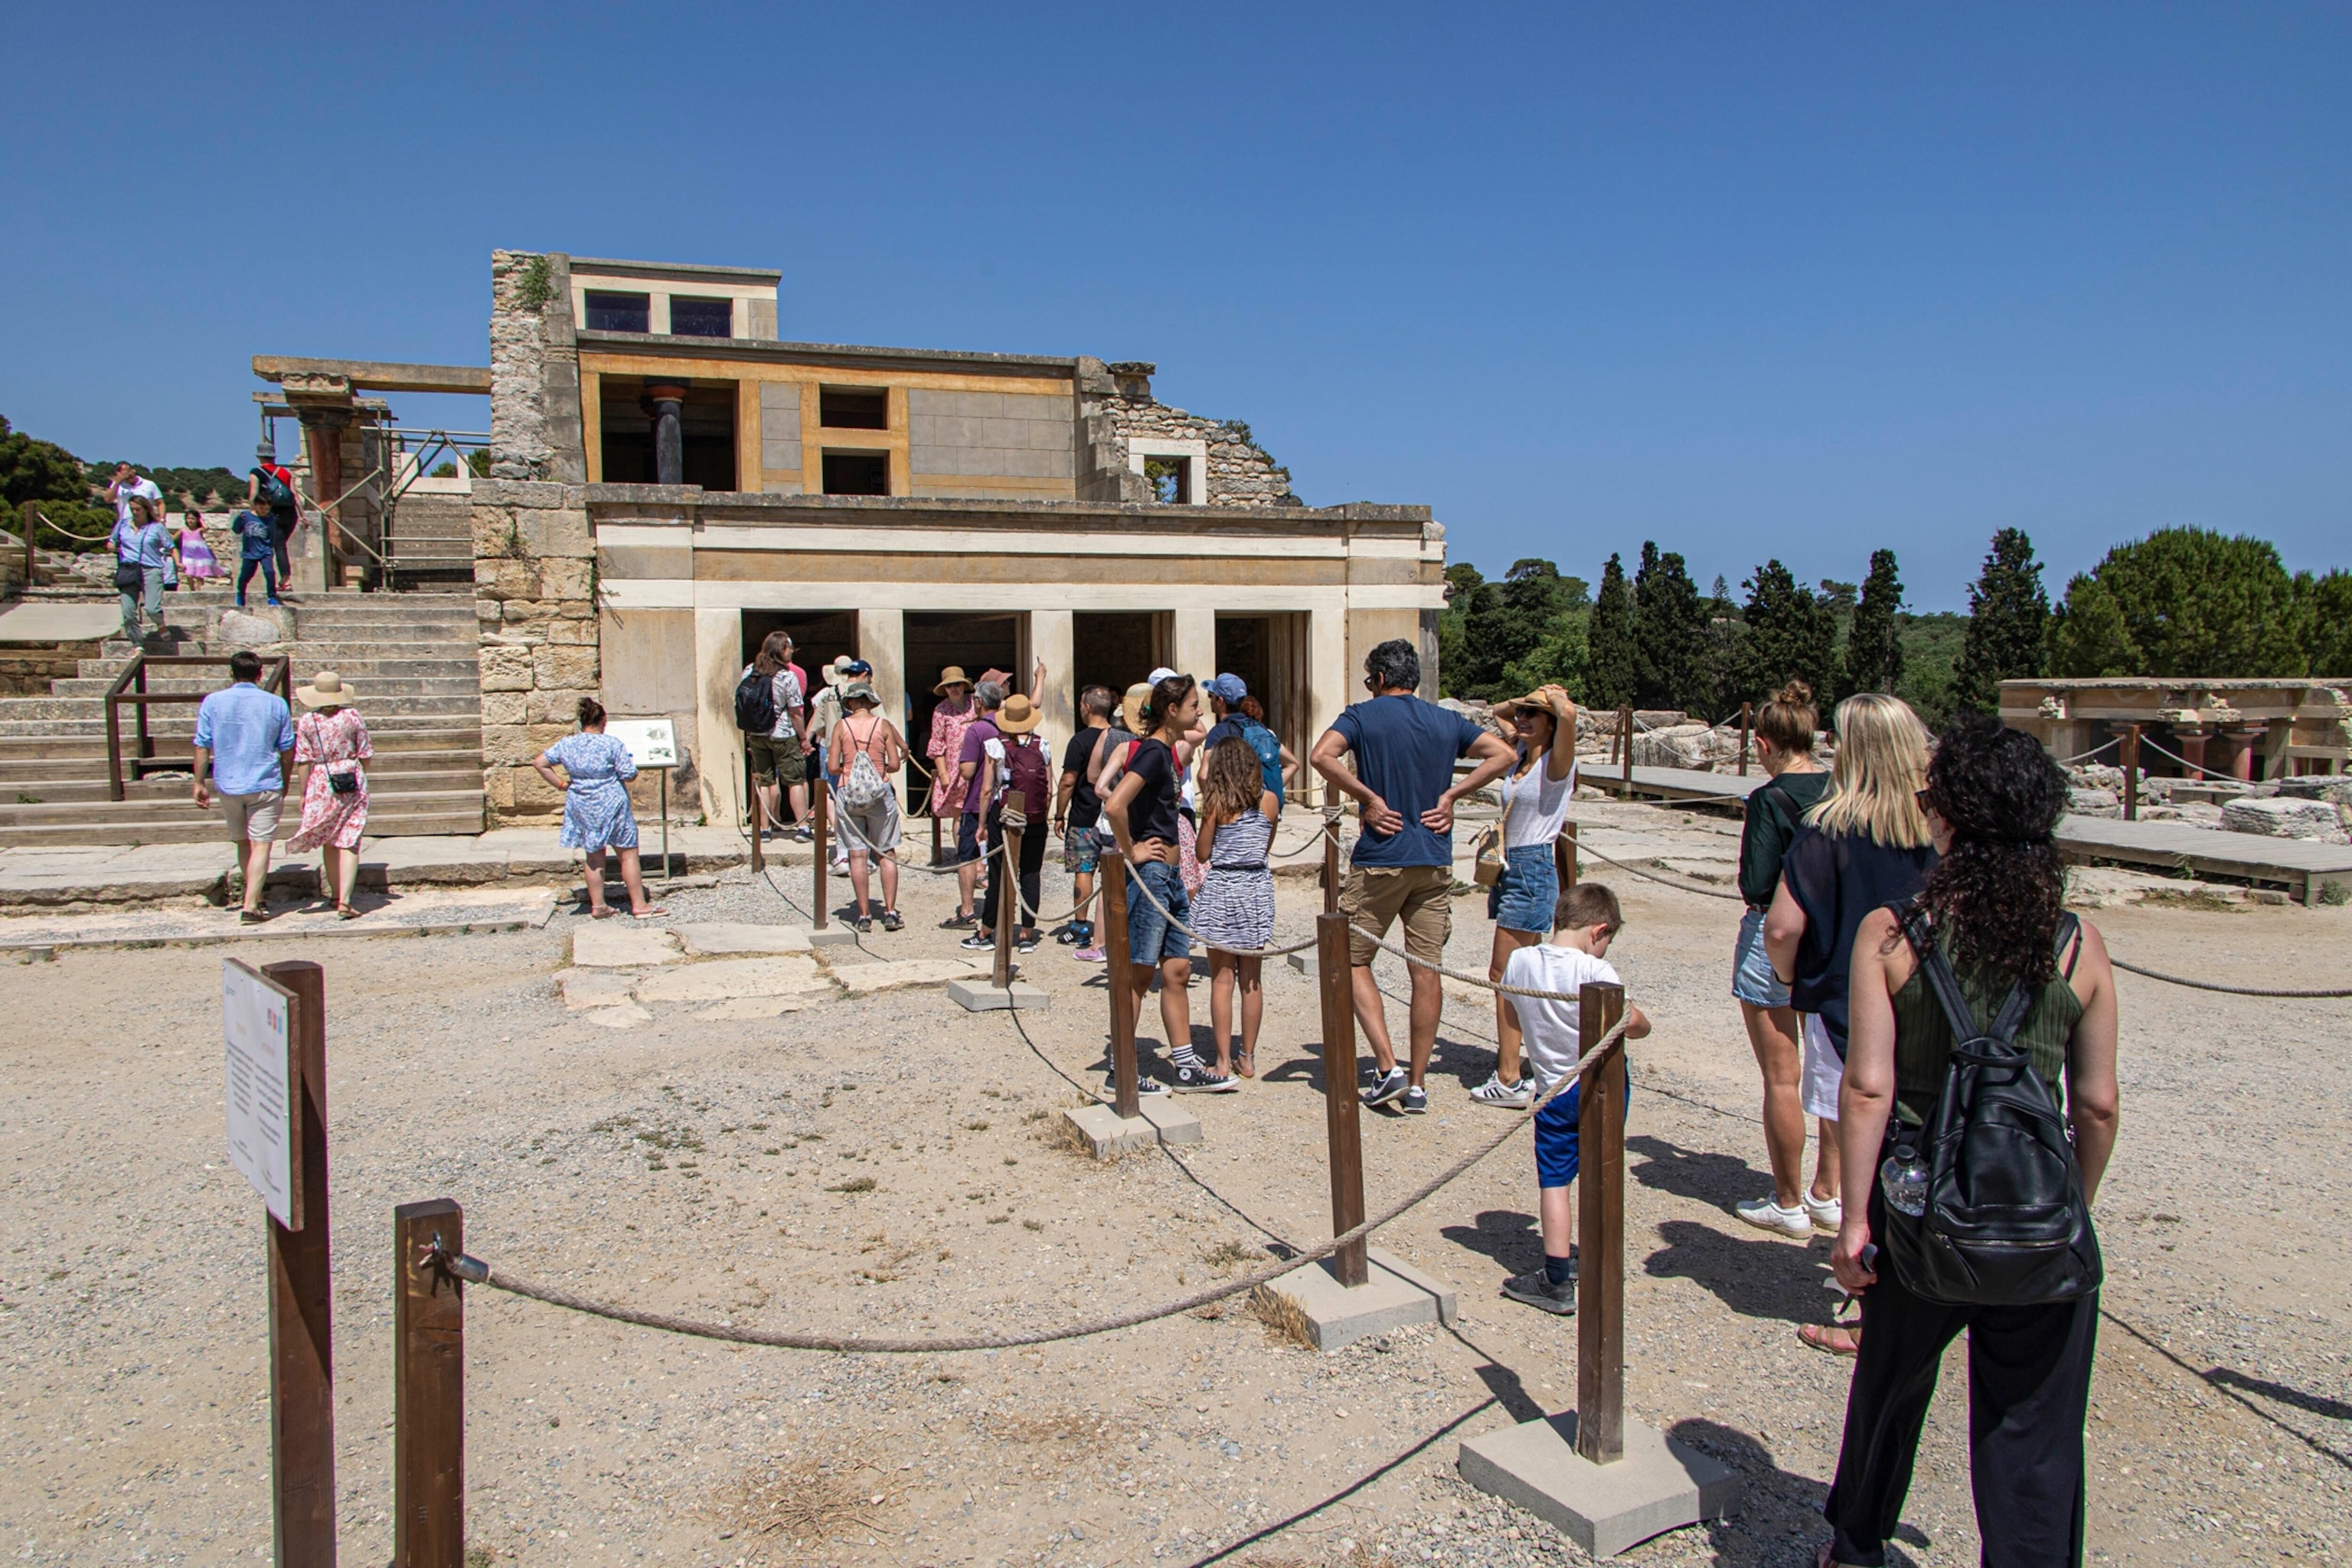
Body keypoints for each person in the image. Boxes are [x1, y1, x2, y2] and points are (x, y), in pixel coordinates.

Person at [1818, 717, 2119, 1568]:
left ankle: (1857, 1540)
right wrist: (2071, 1206)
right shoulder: (2077, 943)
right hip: (2037, 1205)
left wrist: (1851, 1221)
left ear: (1945, 816)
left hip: (1922, 1200)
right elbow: (2095, 1102)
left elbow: (1870, 1085)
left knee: (1891, 1383)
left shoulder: (1895, 932)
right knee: (2035, 1424)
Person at [1764, 692, 1936, 1357]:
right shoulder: (1937, 829)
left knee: (1868, 1155)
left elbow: (1783, 925)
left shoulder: (1829, 829)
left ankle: (1870, 1307)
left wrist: (1789, 975)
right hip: (1935, 1009)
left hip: (1848, 1004)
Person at [1309, 639, 1514, 1114]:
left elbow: (1322, 756)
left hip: (1382, 854)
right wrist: (1452, 795)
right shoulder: (1445, 720)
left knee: (1351, 959)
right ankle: (1418, 1082)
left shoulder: (1363, 715)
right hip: (1433, 857)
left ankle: (1388, 1066)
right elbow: (1503, 755)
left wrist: (1369, 799)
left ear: (1379, 679)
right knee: (1426, 971)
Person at [1497, 884, 1652, 1314]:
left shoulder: (1520, 961)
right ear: (1598, 932)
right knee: (1602, 1172)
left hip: (1553, 1088)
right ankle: (1599, 1257)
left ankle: (1557, 1273)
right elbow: (1634, 1023)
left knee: (1555, 1182)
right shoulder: (1595, 972)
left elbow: (1511, 1008)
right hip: (1601, 1085)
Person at [1730, 681, 1839, 1240]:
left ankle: (1788, 1199)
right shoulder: (1839, 790)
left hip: (1773, 929)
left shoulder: (1770, 799)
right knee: (1831, 1073)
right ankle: (1828, 1191)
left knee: (1782, 1078)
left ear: (1767, 743)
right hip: (1831, 935)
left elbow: (1756, 880)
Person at [1470, 684, 1579, 1109]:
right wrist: (1530, 697)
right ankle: (1522, 1065)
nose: (1523, 719)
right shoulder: (1520, 756)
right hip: (1511, 867)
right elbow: (1498, 710)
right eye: (1524, 714)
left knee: (1504, 974)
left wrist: (1555, 701)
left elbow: (1568, 718)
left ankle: (1511, 1075)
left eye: (1534, 714)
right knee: (1514, 975)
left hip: (1532, 865)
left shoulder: (1557, 762)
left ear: (1551, 723)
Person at [1102, 672, 1205, 1094]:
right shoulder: (1152, 753)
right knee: (1139, 975)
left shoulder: (1168, 753)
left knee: (1177, 970)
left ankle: (1183, 1063)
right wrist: (1132, 851)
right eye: (1194, 704)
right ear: (1172, 710)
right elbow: (1114, 803)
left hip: (1173, 877)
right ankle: (1121, 1068)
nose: (1200, 711)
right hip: (1153, 874)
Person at [1192, 737, 1280, 1080]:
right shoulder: (1270, 801)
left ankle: (1223, 1060)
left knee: (1221, 979)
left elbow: (1202, 853)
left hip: (1224, 887)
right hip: (1256, 887)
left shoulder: (1217, 804)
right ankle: (1248, 1057)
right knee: (1252, 980)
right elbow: (1266, 845)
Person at [532, 697, 665, 920]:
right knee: (628, 854)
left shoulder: (567, 744)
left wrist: (562, 785)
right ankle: (639, 905)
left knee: (593, 856)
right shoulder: (611, 744)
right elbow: (628, 774)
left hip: (582, 801)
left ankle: (599, 905)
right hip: (612, 802)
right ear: (603, 720)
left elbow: (540, 763)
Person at [191, 649, 296, 925]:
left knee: (242, 841)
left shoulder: (213, 702)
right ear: (260, 674)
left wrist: (199, 782)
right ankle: (252, 903)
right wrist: (285, 780)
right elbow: (287, 749)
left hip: (228, 780)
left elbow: (203, 745)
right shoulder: (276, 704)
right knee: (262, 844)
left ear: (231, 673)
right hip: (264, 779)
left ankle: (254, 894)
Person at [966, 692, 1053, 955]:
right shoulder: (1043, 745)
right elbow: (1048, 787)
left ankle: (988, 930)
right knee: (1030, 873)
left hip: (1003, 815)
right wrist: (1041, 812)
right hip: (1034, 816)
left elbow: (987, 789)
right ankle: (1027, 932)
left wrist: (981, 824)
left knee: (998, 871)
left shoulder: (996, 744)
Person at [285, 671, 374, 918]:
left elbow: (304, 760)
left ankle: (335, 895)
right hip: (350, 774)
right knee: (349, 839)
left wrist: (303, 793)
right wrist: (357, 772)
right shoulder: (352, 716)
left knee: (330, 838)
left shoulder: (307, 722)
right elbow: (365, 753)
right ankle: (346, 900)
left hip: (321, 778)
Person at [827, 680, 906, 932]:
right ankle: (891, 912)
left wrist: (851, 771)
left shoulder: (842, 726)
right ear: (870, 703)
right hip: (880, 792)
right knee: (886, 853)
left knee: (857, 855)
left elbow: (832, 767)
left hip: (849, 791)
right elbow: (894, 764)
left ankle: (863, 916)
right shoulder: (882, 725)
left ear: (850, 703)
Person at [1054, 684, 1127, 957]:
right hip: (1114, 815)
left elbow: (1068, 781)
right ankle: (1114, 925)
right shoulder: (1121, 738)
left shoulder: (1079, 741)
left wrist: (1059, 813)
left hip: (1084, 815)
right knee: (1115, 872)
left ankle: (1080, 925)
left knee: (1084, 870)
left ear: (1086, 707)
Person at [943, 680, 1006, 929]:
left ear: (979, 702)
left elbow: (968, 771)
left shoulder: (977, 730)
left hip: (977, 801)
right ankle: (1000, 907)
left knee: (967, 856)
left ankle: (968, 910)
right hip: (1004, 801)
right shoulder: (1008, 727)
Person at [740, 631, 809, 840]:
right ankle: (803, 827)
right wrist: (804, 738)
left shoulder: (749, 671)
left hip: (757, 733)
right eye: (789, 649)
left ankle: (764, 829)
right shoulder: (786, 676)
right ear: (781, 650)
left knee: (764, 781)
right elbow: (795, 711)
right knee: (795, 780)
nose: (791, 653)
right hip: (783, 733)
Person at [1199, 674, 1296, 804]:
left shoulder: (1219, 733)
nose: (1210, 699)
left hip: (1235, 813)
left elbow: (1204, 776)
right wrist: (1271, 789)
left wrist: (1216, 808)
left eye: (1211, 695)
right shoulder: (1260, 728)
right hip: (1265, 812)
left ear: (1220, 701)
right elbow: (1293, 764)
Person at [111, 496, 172, 638]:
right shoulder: (123, 524)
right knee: (128, 613)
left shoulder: (157, 527)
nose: (135, 512)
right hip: (129, 569)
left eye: (138, 509)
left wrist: (179, 562)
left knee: (151, 608)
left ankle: (161, 625)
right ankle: (137, 644)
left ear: (146, 509)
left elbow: (170, 546)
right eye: (132, 509)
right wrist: (114, 548)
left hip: (151, 569)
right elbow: (112, 541)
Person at [246, 457, 302, 591]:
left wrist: (252, 514)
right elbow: (295, 496)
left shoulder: (257, 472)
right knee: (280, 545)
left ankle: (286, 580)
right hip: (291, 515)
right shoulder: (285, 472)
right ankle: (283, 580)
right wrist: (303, 515)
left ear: (259, 457)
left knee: (278, 546)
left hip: (272, 513)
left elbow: (254, 495)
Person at [230, 504, 281, 609]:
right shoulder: (246, 516)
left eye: (267, 509)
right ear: (256, 506)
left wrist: (271, 548)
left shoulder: (271, 519)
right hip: (250, 552)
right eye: (261, 507)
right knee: (246, 576)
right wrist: (239, 519)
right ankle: (241, 593)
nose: (264, 511)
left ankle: (271, 596)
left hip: (265, 551)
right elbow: (236, 530)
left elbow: (272, 535)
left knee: (269, 572)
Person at [176, 508, 221, 583]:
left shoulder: (199, 530)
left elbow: (206, 528)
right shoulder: (183, 530)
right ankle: (192, 590)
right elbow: (173, 539)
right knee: (189, 574)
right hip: (187, 556)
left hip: (199, 556)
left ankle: (198, 591)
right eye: (188, 518)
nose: (190, 520)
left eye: (193, 519)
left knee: (199, 576)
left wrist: (200, 519)